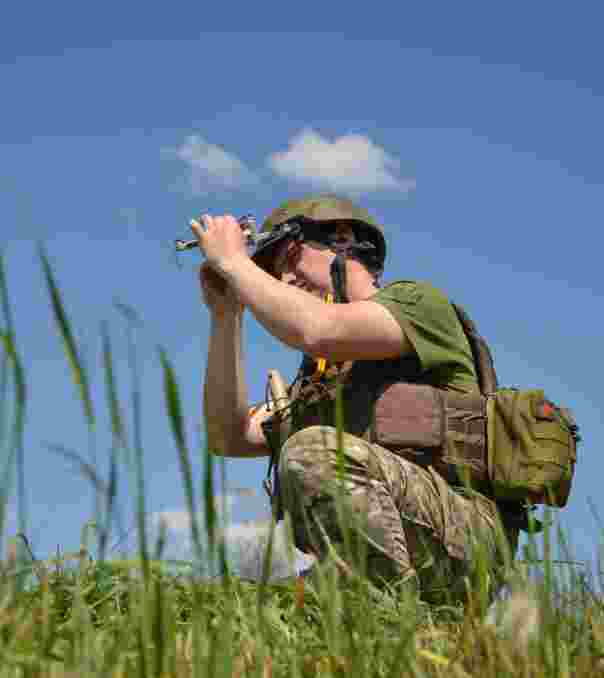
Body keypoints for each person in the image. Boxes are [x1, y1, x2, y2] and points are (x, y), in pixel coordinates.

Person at [189, 194, 519, 605]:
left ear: (343, 241)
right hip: (394, 550)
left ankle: (386, 623)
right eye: (271, 271)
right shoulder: (321, 381)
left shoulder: (417, 305)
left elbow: (316, 330)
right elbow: (229, 436)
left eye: (289, 256)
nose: (283, 278)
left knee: (311, 451)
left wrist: (237, 264)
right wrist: (226, 316)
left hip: (465, 538)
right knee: (241, 611)